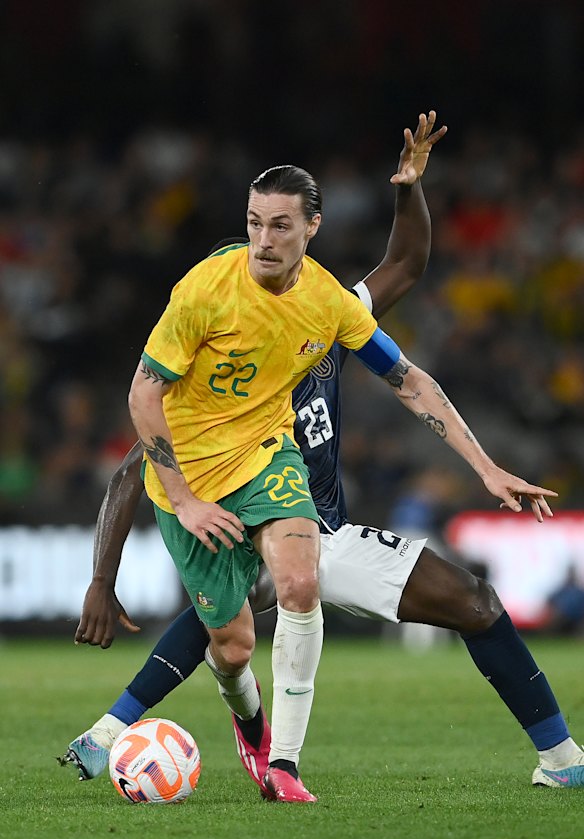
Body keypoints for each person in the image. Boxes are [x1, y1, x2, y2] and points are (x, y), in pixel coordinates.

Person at [61, 115, 583, 797]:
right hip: (245, 512)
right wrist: (102, 578)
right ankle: (150, 728)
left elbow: (406, 267)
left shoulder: (328, 314)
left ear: (307, 235)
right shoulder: (205, 371)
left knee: (474, 602)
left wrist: (408, 189)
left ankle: (561, 757)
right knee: (231, 631)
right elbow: (136, 461)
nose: (264, 247)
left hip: (319, 524)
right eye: (255, 229)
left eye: (280, 229)